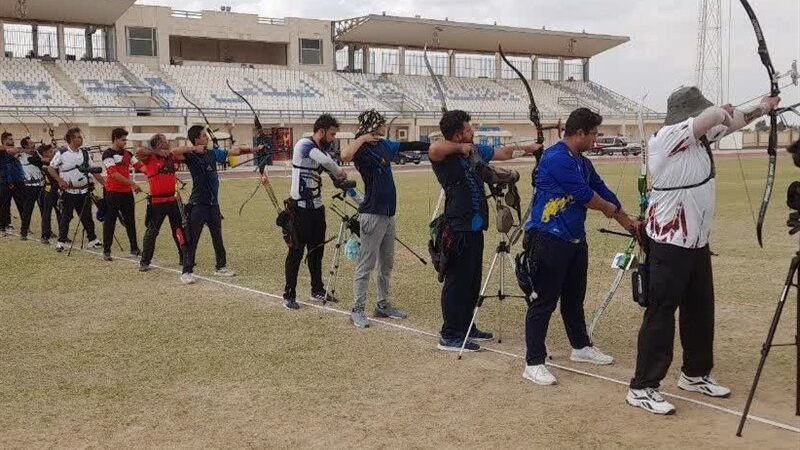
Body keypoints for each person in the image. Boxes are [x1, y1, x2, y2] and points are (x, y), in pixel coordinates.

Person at [626, 88, 780, 415]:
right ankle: (642, 386)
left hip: (696, 241)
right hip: (668, 240)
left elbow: (733, 121)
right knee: (661, 313)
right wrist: (719, 110)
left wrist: (763, 107)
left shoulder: (699, 138)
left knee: (700, 309)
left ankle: (694, 374)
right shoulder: (666, 137)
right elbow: (713, 117)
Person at [520, 108, 635, 386]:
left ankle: (581, 346)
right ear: (580, 133)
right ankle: (533, 362)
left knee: (574, 298)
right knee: (544, 301)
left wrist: (630, 225)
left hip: (574, 239)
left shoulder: (582, 162)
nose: (596, 139)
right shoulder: (556, 158)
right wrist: (609, 209)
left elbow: (602, 190)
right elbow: (586, 195)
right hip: (548, 238)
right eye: (593, 134)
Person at [429, 109, 540, 352]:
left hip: (475, 227)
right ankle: (450, 335)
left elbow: (504, 152)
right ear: (458, 135)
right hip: (458, 227)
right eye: (468, 129)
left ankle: (467, 326)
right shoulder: (445, 155)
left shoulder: (475, 151)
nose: (473, 131)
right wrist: (460, 148)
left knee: (472, 281)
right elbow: (435, 148)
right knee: (457, 282)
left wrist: (530, 148)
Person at [340, 109, 430, 328]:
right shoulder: (361, 149)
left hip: (389, 214)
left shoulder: (384, 145)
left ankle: (382, 305)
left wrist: (435, 147)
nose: (384, 126)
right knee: (366, 264)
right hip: (372, 214)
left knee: (386, 264)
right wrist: (362, 138)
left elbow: (408, 145)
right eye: (381, 123)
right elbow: (345, 156)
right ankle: (357, 310)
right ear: (372, 126)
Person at [280, 114, 348, 310]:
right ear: (321, 131)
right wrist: (339, 171)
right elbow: (326, 162)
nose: (333, 138)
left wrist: (339, 179)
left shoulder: (321, 150)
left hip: (317, 209)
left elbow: (327, 166)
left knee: (316, 251)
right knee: (296, 253)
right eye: (332, 134)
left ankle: (317, 289)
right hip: (299, 209)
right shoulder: (304, 145)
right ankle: (289, 294)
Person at [180, 125, 263, 284]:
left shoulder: (212, 153)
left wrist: (256, 149)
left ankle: (221, 267)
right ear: (196, 139)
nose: (206, 138)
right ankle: (187, 271)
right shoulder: (190, 155)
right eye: (203, 135)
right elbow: (173, 152)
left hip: (213, 204)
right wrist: (194, 148)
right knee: (193, 239)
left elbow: (236, 151)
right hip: (198, 204)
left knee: (217, 237)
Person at [134, 133, 203, 272]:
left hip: (173, 200)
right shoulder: (150, 158)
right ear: (159, 144)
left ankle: (184, 258)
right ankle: (145, 261)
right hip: (157, 202)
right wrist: (157, 151)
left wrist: (193, 148)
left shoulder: (171, 156)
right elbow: (139, 151)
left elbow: (181, 151)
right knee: (152, 232)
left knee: (179, 230)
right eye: (165, 141)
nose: (168, 142)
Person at [47, 127, 104, 252]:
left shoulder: (85, 153)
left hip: (84, 191)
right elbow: (50, 168)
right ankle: (61, 242)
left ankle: (92, 239)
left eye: (80, 137)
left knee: (87, 216)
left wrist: (105, 184)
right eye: (78, 137)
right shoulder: (62, 153)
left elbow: (94, 171)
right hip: (69, 191)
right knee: (66, 217)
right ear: (72, 139)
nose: (81, 139)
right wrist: (60, 180)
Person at [101, 128, 141, 261]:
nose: (125, 142)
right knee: (110, 222)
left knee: (130, 221)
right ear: (115, 139)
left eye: (125, 139)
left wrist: (154, 172)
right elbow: (113, 173)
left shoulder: (128, 154)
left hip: (126, 194)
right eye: (123, 140)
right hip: (112, 193)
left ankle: (134, 248)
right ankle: (107, 251)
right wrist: (132, 184)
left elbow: (140, 166)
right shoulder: (108, 154)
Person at [18, 137, 45, 240]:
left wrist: (34, 152)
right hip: (29, 187)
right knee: (28, 209)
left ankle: (46, 232)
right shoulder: (21, 155)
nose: (33, 144)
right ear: (25, 145)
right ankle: (23, 232)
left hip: (41, 184)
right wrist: (25, 150)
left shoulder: (36, 153)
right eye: (30, 143)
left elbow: (41, 162)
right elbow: (12, 151)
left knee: (44, 210)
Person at [0, 132, 25, 234]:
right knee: (5, 204)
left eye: (12, 139)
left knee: (21, 203)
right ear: (4, 140)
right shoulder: (2, 151)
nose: (12, 141)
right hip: (4, 181)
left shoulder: (13, 151)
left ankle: (25, 226)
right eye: (10, 139)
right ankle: (4, 225)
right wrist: (8, 149)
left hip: (17, 181)